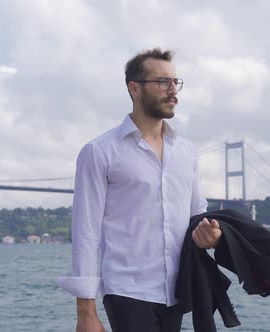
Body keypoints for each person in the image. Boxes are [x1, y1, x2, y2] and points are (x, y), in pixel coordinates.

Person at [58, 48, 222, 332]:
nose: (173, 90)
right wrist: (86, 312)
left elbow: (197, 213)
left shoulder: (186, 152)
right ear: (135, 88)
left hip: (177, 292)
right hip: (128, 291)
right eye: (162, 82)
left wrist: (212, 235)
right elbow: (86, 232)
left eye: (175, 82)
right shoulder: (99, 152)